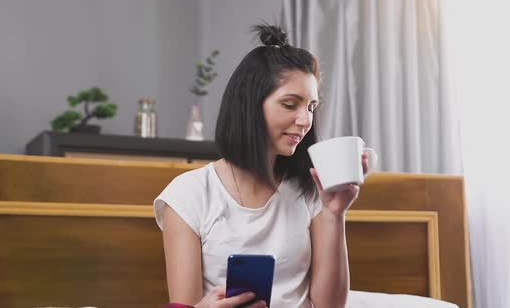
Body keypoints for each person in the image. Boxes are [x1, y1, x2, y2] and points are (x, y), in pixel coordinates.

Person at [154, 23, 369, 308]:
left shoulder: (310, 190)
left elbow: (330, 306)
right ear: (251, 105)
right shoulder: (189, 194)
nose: (306, 121)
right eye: (291, 105)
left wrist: (334, 213)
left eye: (311, 107)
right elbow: (185, 304)